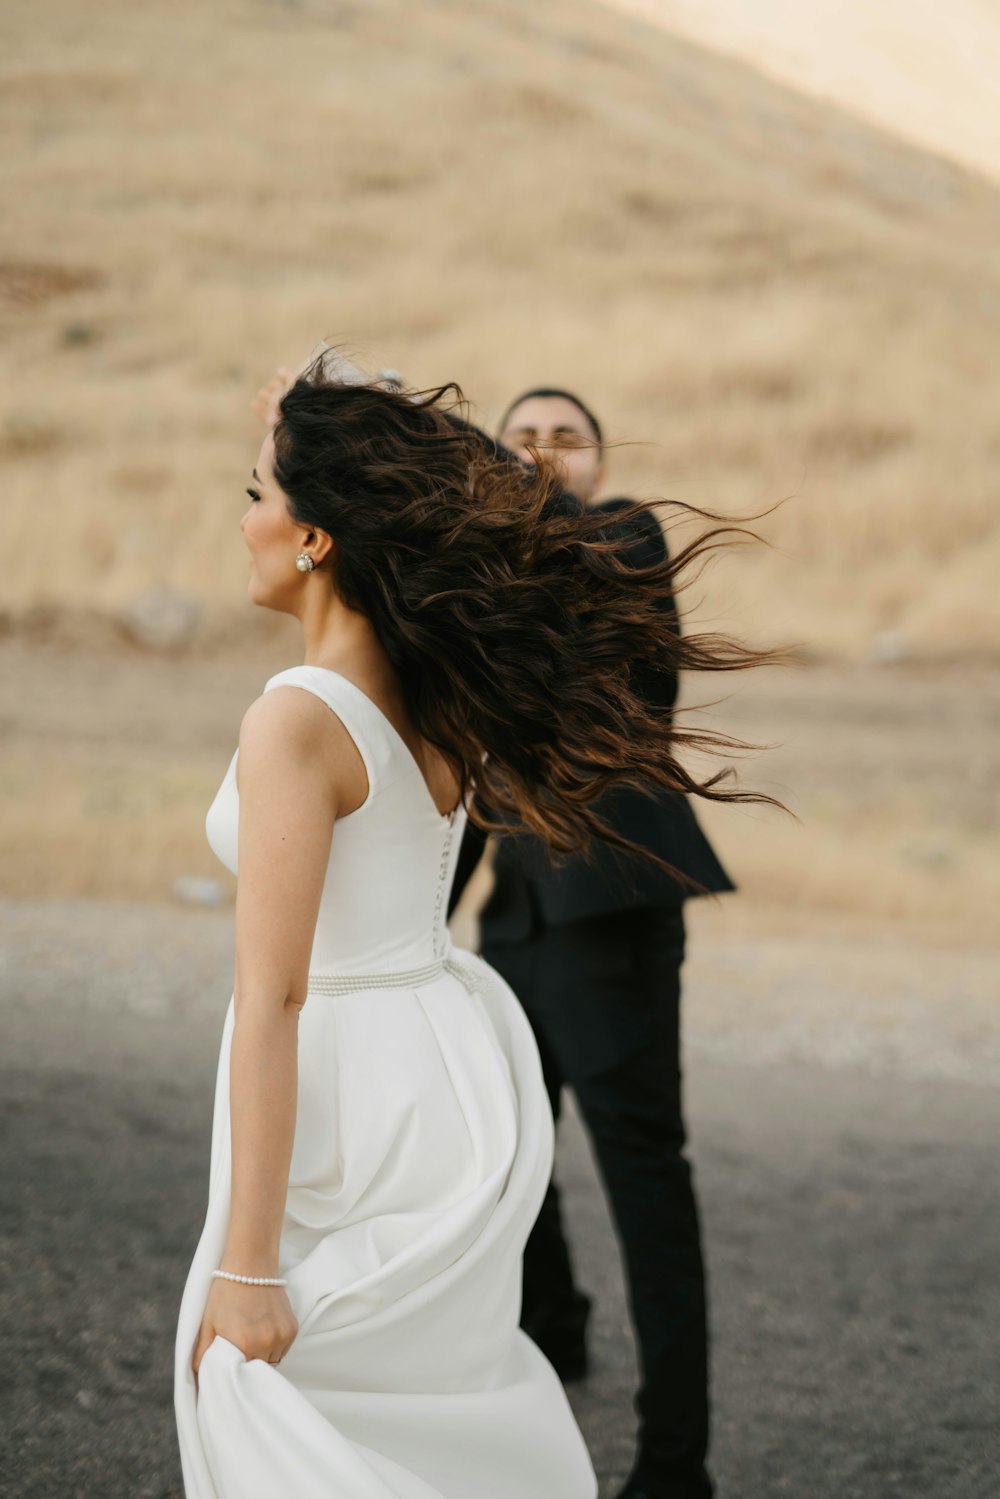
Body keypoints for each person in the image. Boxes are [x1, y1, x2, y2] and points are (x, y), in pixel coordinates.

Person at [175, 352, 771, 1499]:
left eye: (258, 493)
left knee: (287, 1412)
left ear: (317, 535)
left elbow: (278, 993)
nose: (243, 516)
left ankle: (675, 1457)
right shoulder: (434, 696)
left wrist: (246, 1261)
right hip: (455, 1025)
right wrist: (343, 414)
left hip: (395, 1047)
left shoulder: (302, 716)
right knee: (426, 1394)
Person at [448, 388, 733, 1499]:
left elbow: (573, 540)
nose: (542, 455)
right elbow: (483, 767)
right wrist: (429, 915)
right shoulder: (496, 588)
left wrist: (473, 468)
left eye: (565, 439)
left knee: (644, 1183)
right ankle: (556, 1327)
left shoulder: (623, 535)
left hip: (611, 909)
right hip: (514, 916)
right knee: (509, 1159)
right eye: (522, 439)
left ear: (599, 462)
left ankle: (675, 1463)